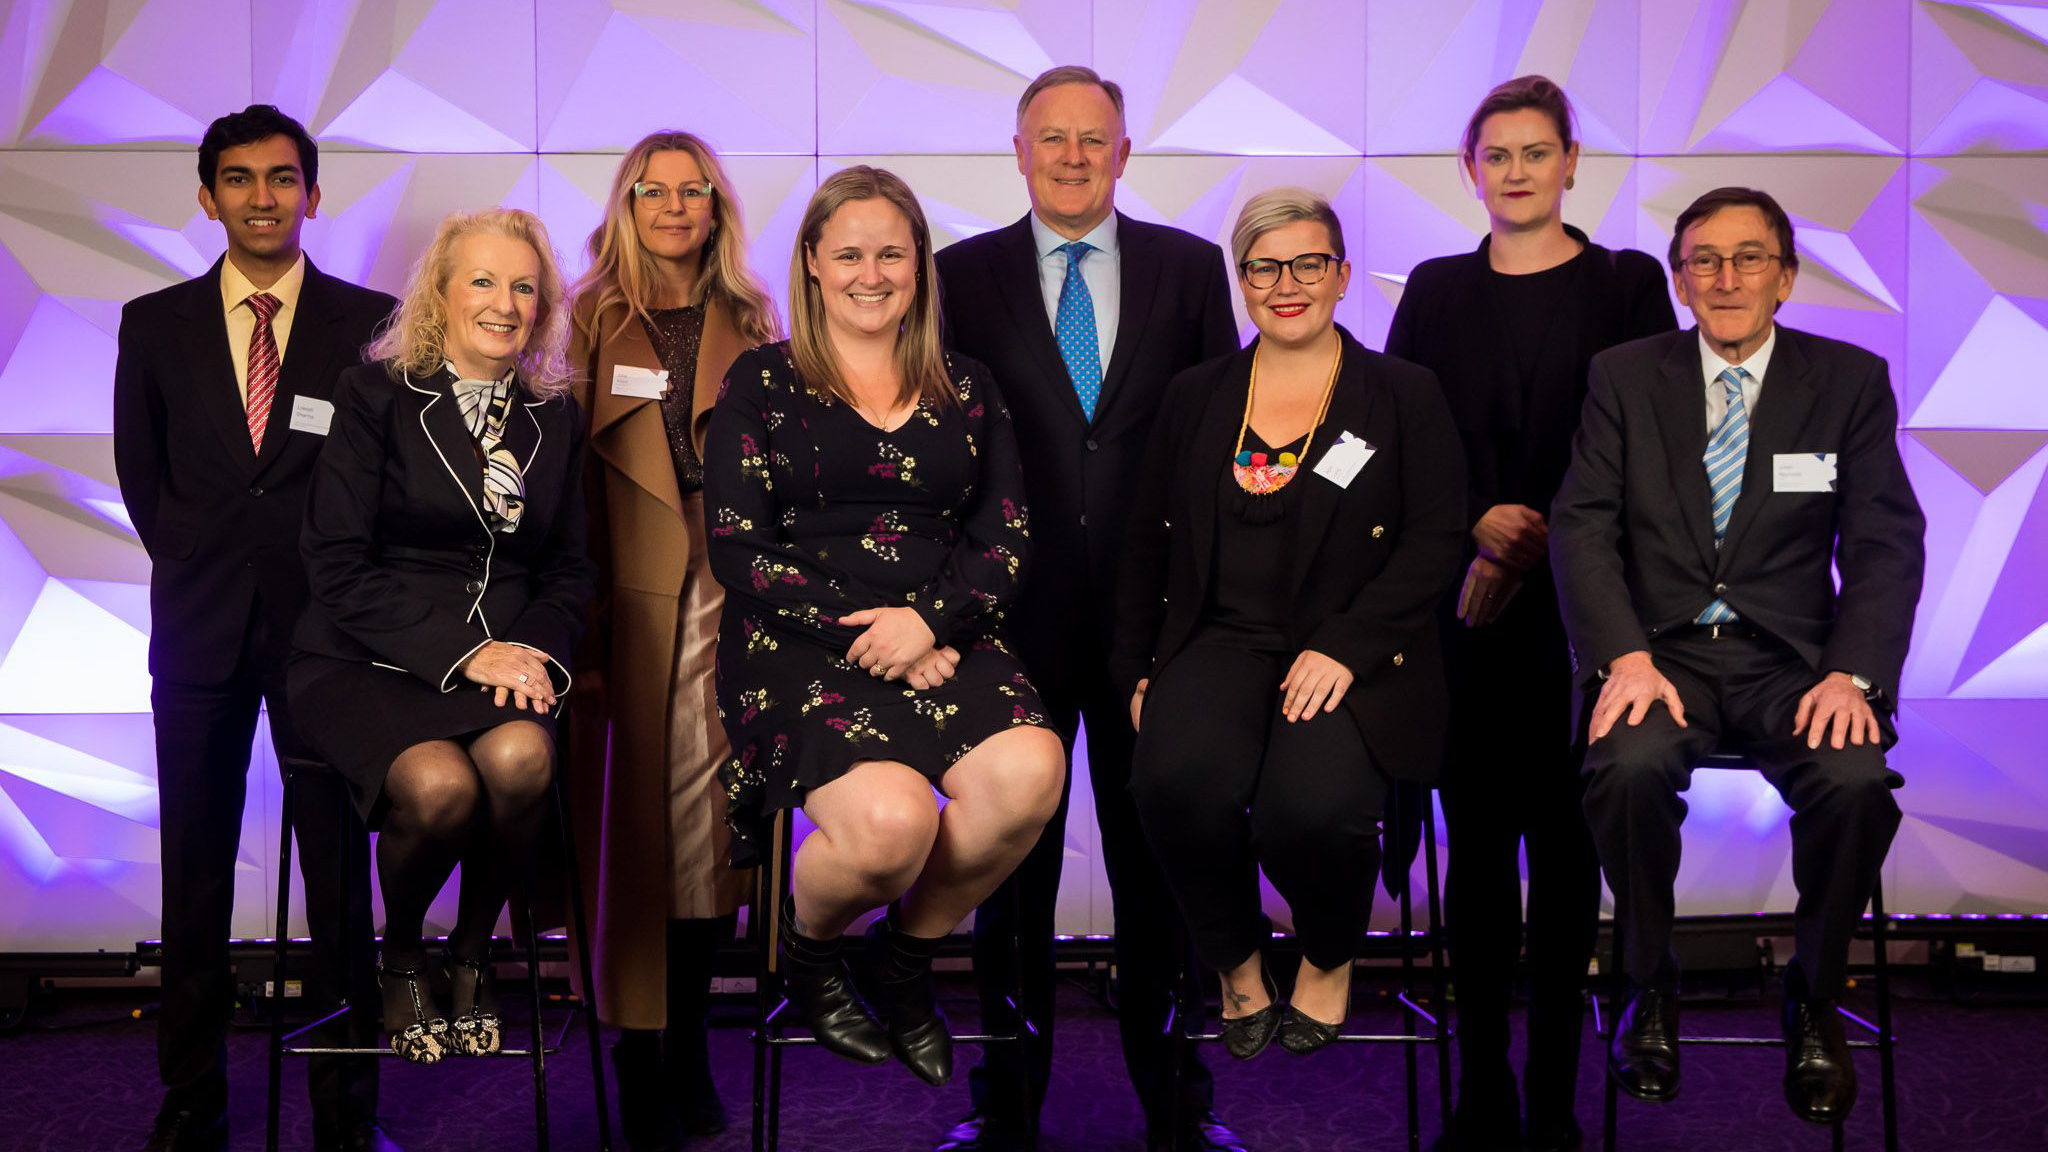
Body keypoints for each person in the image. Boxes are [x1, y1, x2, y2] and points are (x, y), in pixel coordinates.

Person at [1550, 186, 1924, 1126]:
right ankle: (1647, 984)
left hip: (1794, 665)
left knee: (1852, 783)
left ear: (1786, 277)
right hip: (1659, 656)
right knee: (1626, 771)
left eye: (1749, 257)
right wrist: (1621, 659)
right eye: (1704, 260)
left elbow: (1885, 541)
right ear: (1679, 279)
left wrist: (1855, 675)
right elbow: (1581, 527)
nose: (1726, 277)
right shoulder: (1624, 376)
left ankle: (1813, 995)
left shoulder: (1847, 380)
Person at [702, 165, 1066, 1092]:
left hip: (943, 632)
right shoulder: (762, 380)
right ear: (813, 266)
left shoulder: (969, 385)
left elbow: (1008, 536)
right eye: (850, 253)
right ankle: (814, 953)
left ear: (919, 267)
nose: (873, 273)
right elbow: (738, 549)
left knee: (1032, 773)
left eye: (892, 253)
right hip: (799, 641)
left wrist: (928, 622)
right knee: (891, 825)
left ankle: (904, 960)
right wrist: (878, 632)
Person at [933, 64, 1240, 1152]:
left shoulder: (1191, 270)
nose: (1071, 156)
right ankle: (1006, 1105)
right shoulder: (955, 276)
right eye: (1050, 139)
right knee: (1007, 873)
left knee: (1162, 860)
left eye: (1092, 139)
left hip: (1152, 624)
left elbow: (1212, 449)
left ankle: (1175, 1100)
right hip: (1004, 624)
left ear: (1123, 153)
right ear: (1018, 153)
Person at [1384, 75, 1678, 1152]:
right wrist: (1476, 523)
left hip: (1586, 624)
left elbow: (1654, 445)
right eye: (1494, 154)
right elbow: (1398, 442)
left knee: (1565, 863)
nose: (1514, 170)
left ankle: (1551, 1096)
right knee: (1475, 863)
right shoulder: (1432, 287)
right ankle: (1481, 1092)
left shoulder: (1626, 284)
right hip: (1462, 625)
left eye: (1533, 151)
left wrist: (1544, 536)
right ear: (1471, 171)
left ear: (1569, 162)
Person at [1114, 186, 1465, 1071]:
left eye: (1308, 263)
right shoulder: (1197, 396)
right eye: (1263, 267)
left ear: (1342, 276)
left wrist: (1347, 645)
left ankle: (1327, 950)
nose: (1286, 283)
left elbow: (1435, 539)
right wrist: (1140, 667)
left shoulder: (1403, 392)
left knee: (1305, 813)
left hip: (1350, 646)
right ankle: (1236, 960)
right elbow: (1144, 541)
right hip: (1220, 639)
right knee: (1172, 780)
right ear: (1242, 281)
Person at [111, 104, 401, 1152]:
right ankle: (191, 1100)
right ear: (207, 198)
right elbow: (141, 476)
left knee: (337, 878)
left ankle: (346, 1105)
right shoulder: (153, 323)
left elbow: (384, 482)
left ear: (313, 196)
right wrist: (194, 558)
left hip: (330, 639)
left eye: (282, 179)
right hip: (196, 635)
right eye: (239, 180)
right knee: (192, 871)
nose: (262, 198)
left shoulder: (372, 320)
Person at [286, 207, 595, 1071]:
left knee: (523, 761)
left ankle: (470, 953)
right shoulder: (375, 395)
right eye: (484, 282)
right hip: (365, 655)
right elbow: (335, 563)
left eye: (524, 286)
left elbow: (569, 571)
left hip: (503, 658)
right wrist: (465, 653)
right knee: (440, 786)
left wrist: (529, 652)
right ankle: (404, 957)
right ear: (442, 294)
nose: (506, 303)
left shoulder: (554, 415)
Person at [565, 130, 781, 1151]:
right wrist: (580, 634)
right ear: (628, 202)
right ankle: (633, 1048)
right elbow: (562, 488)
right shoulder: (584, 319)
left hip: (727, 598)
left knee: (706, 844)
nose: (674, 206)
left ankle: (685, 1040)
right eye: (654, 190)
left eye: (693, 190)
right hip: (626, 602)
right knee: (628, 842)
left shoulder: (754, 319)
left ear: (714, 206)